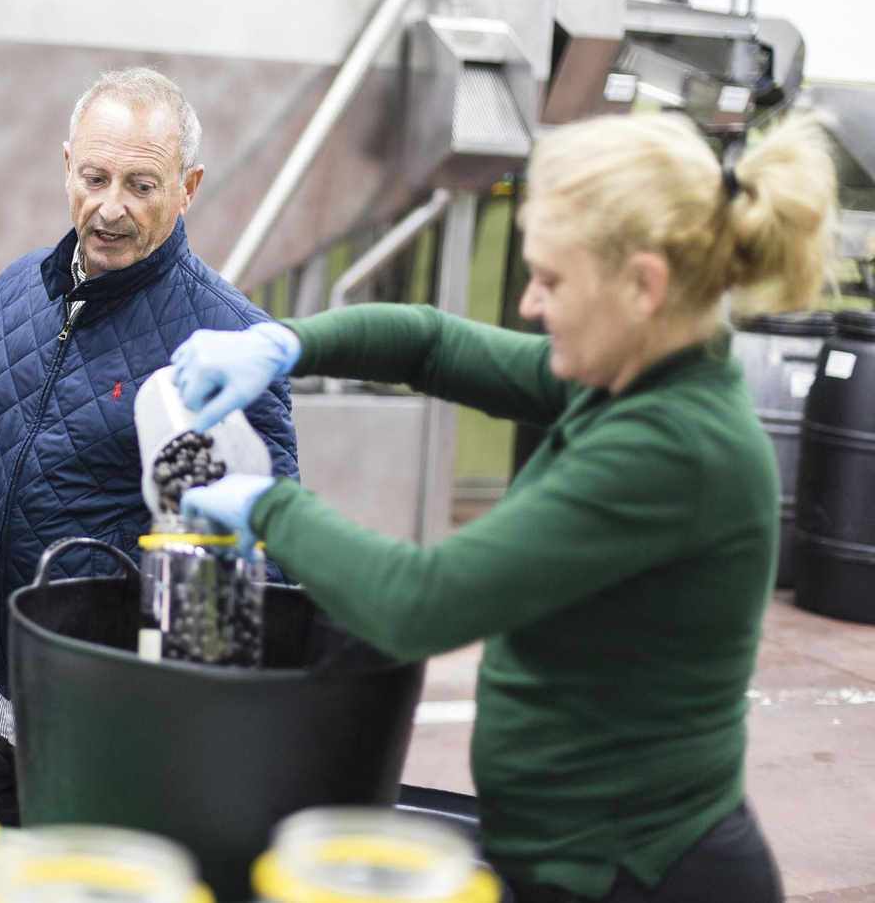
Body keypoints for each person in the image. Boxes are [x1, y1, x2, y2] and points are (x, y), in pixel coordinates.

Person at [172, 112, 837, 903]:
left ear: (644, 286)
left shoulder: (673, 447)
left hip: (640, 876)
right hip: (573, 859)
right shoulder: (632, 373)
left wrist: (269, 506)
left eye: (552, 281)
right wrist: (287, 344)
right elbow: (431, 346)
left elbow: (421, 601)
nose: (530, 303)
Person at [0, 67, 300, 825]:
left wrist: (170, 715)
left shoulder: (222, 341)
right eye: (95, 177)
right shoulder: (16, 292)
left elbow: (258, 555)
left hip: (110, 712)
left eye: (141, 185)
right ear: (67, 165)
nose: (110, 208)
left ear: (188, 186)